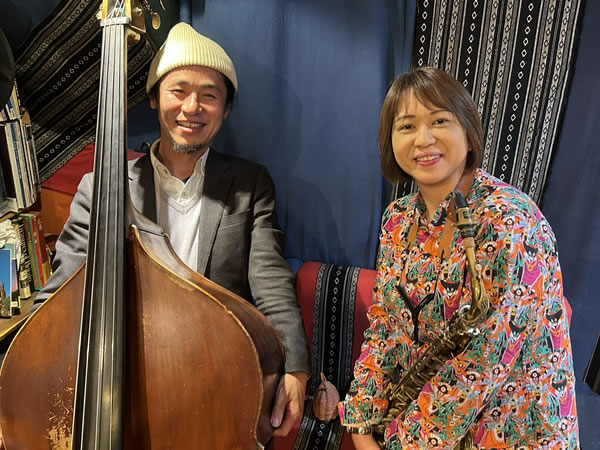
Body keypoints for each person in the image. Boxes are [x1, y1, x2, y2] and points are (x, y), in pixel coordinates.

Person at [34, 22, 310, 437]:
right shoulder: (101, 187)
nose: (192, 107)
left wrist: (296, 369)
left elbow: (271, 281)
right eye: (178, 91)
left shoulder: (250, 184)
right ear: (153, 99)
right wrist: (26, 368)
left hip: (215, 375)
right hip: (122, 373)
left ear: (226, 109)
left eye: (209, 95)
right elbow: (63, 289)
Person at [338, 67, 579, 449]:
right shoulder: (397, 219)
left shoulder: (511, 221)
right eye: (406, 126)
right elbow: (386, 326)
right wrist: (360, 421)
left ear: (468, 133)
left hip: (512, 432)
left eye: (439, 121)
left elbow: (484, 362)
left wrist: (401, 444)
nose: (423, 139)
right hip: (418, 422)